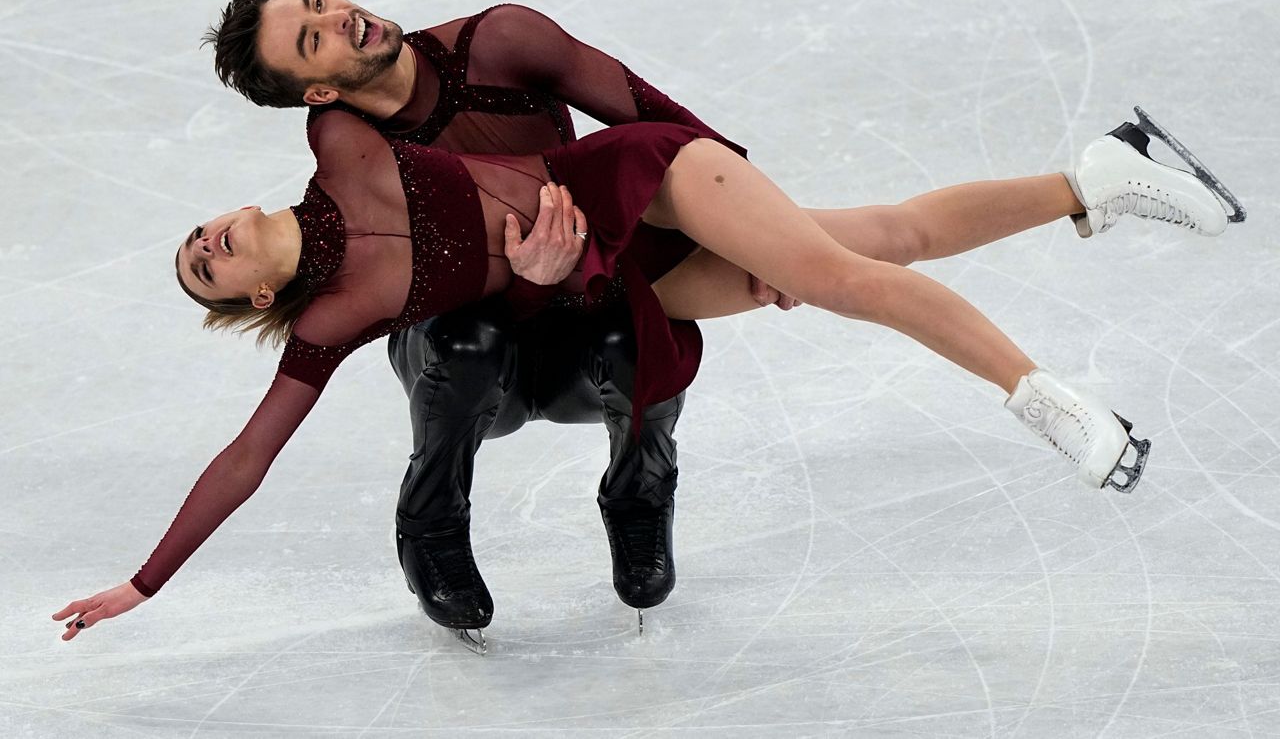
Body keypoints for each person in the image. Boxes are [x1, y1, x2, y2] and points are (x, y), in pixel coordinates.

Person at [53, 102, 1235, 643]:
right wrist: (146, 582)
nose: (202, 246)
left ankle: (1049, 403)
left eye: (196, 235)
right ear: (251, 298)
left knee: (837, 273)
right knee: (881, 237)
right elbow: (248, 453)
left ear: (233, 210)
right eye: (199, 274)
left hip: (637, 182)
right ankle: (1097, 175)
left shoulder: (338, 147)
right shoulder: (336, 316)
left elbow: (389, 54)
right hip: (613, 283)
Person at [206, 0, 801, 634]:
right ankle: (431, 523)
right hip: (464, 342)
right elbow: (320, 53)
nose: (341, 21)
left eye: (324, 9)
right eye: (315, 33)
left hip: (577, 307)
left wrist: (769, 239)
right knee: (469, 340)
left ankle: (640, 495)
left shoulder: (496, 43)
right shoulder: (348, 134)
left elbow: (668, 125)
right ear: (319, 94)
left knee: (637, 332)